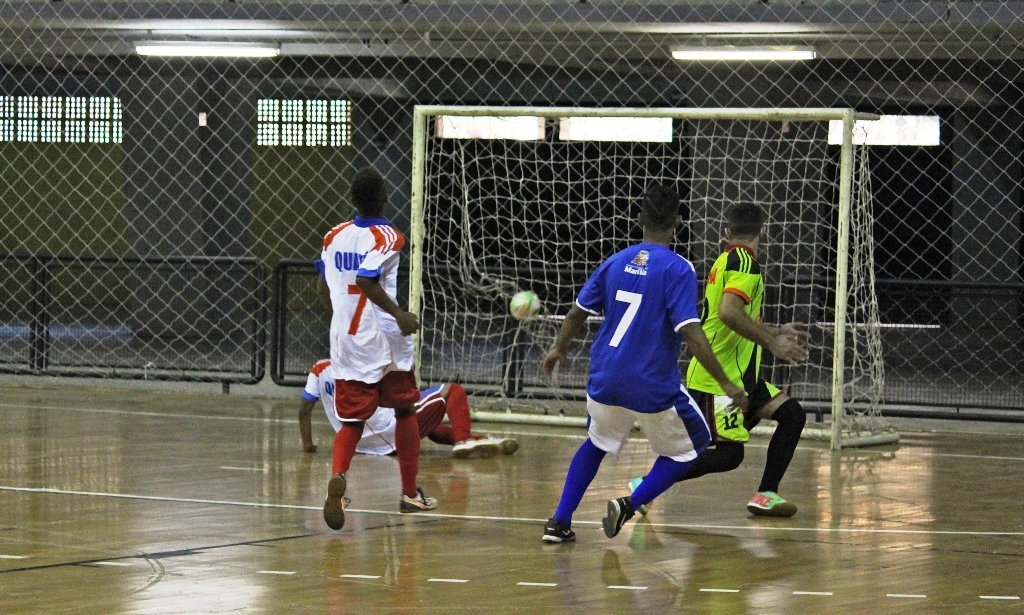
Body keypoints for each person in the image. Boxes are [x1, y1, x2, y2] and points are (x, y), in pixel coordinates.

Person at [540, 184, 748, 543]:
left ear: (639, 219)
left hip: (604, 376)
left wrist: (559, 347)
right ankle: (631, 502)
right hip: (651, 382)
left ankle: (559, 522)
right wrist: (727, 383)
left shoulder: (616, 261)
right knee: (693, 449)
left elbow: (576, 313)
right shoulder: (678, 268)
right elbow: (692, 332)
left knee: (596, 441)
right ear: (678, 223)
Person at [629, 202, 810, 518]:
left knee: (792, 415)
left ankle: (767, 494)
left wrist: (774, 329)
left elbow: (736, 316)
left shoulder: (726, 259)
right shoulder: (746, 265)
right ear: (763, 231)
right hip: (720, 379)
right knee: (728, 455)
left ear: (726, 232)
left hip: (743, 377)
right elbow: (728, 313)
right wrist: (772, 343)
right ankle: (645, 485)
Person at [316, 167, 436, 531]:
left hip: (347, 340)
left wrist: (338, 317)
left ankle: (338, 475)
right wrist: (400, 315)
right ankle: (409, 493)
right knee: (404, 410)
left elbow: (323, 284)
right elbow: (366, 279)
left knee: (352, 419)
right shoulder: (389, 236)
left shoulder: (332, 235)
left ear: (352, 200)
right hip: (384, 337)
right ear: (385, 198)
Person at [298, 358, 519, 458]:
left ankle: (479, 439)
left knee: (431, 426)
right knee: (453, 391)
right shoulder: (366, 363)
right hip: (394, 432)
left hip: (361, 445)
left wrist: (308, 445)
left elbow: (304, 409)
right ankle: (464, 439)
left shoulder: (319, 370)